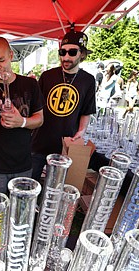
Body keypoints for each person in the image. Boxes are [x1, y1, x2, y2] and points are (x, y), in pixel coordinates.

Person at [0, 36, 44, 217]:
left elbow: (40, 119)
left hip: (22, 164)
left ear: (11, 55)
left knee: (21, 215)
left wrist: (21, 121)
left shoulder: (30, 85)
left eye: (1, 60)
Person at [31, 31, 96, 182]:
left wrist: (81, 131)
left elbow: (87, 110)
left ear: (82, 54)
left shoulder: (88, 80)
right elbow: (35, 106)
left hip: (65, 145)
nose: (66, 57)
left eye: (72, 52)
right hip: (39, 142)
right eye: (62, 52)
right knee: (30, 184)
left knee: (54, 188)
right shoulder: (47, 76)